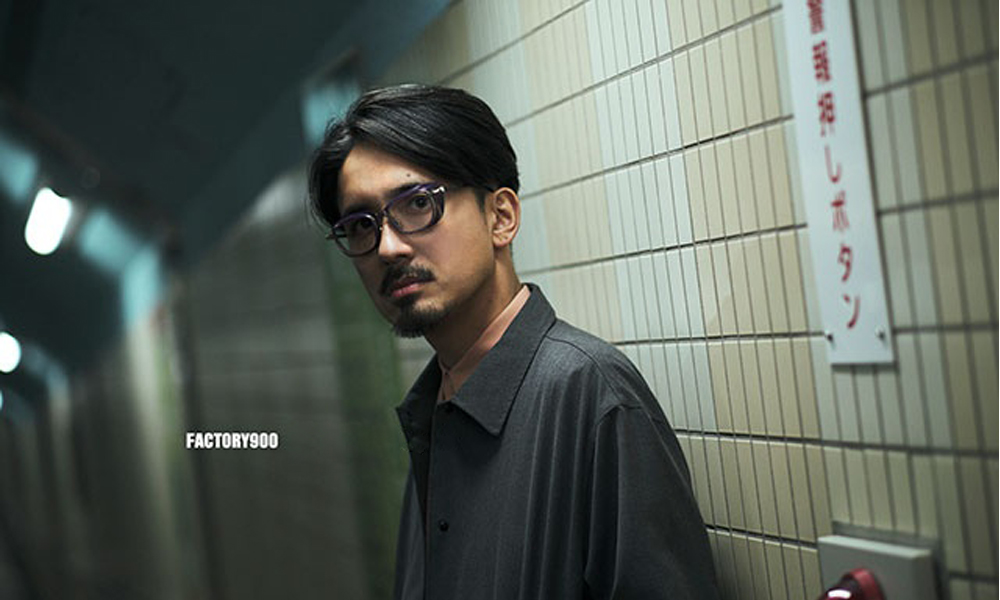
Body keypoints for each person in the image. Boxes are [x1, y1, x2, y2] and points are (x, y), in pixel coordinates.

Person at [308, 84, 720, 600]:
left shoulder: (590, 397)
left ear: (500, 217)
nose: (387, 247)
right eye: (360, 225)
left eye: (417, 204)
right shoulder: (434, 409)